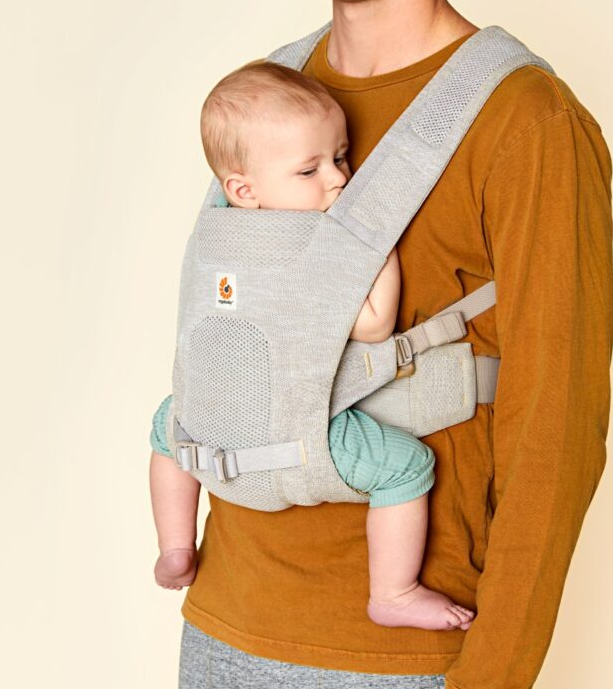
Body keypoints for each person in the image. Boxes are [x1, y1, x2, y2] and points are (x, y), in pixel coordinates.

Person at [155, 0, 613, 689]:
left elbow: (557, 432)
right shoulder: (270, 99)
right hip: (223, 634)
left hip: (397, 673)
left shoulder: (524, 122)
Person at [150, 60, 477, 632]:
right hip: (296, 446)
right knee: (406, 467)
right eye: (310, 169)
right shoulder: (315, 245)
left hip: (206, 442)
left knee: (163, 427)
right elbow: (374, 325)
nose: (338, 179)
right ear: (243, 189)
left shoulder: (215, 235)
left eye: (340, 158)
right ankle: (394, 592)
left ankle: (176, 543)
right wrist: (375, 243)